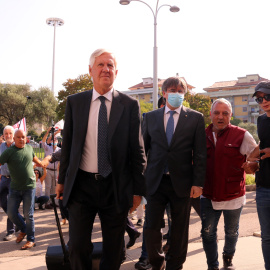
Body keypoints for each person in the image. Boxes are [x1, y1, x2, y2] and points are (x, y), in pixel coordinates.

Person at [57, 48, 146, 270]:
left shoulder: (129, 105)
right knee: (77, 246)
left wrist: (138, 190)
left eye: (110, 65)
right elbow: (67, 145)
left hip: (115, 187)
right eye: (100, 65)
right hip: (81, 186)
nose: (106, 69)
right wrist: (61, 180)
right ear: (90, 70)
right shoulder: (75, 102)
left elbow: (138, 151)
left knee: (114, 249)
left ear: (116, 71)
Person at [143, 76, 207, 270]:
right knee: (151, 227)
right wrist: (139, 181)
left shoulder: (195, 118)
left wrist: (198, 183)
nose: (176, 95)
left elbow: (201, 153)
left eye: (180, 91)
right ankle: (156, 262)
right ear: (164, 93)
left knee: (180, 228)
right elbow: (142, 150)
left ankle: (175, 265)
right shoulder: (150, 117)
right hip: (155, 181)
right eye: (172, 91)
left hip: (182, 183)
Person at [201, 98, 257, 270]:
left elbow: (254, 157)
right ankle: (213, 265)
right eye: (217, 112)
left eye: (225, 113)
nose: (220, 117)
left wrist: (251, 166)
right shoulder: (201, 135)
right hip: (208, 195)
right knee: (208, 233)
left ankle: (228, 257)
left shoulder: (242, 135)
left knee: (231, 232)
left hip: (233, 195)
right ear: (210, 115)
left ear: (230, 116)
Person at [0, 129, 45, 250]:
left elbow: (36, 160)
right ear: (14, 139)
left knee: (28, 214)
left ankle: (31, 240)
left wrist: (43, 163)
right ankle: (24, 229)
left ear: (27, 138)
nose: (21, 139)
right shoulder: (9, 152)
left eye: (23, 137)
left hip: (29, 187)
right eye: (18, 137)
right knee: (11, 213)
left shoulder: (30, 149)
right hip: (14, 188)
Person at [242, 81, 270, 270]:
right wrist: (251, 159)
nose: (264, 101)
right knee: (267, 236)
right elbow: (262, 144)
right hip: (264, 186)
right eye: (259, 99)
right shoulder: (261, 120)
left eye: (267, 96)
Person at [0, 126, 16, 241]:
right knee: (3, 202)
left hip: (14, 179)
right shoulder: (2, 146)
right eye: (6, 133)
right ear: (3, 135)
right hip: (3, 179)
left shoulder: (17, 146)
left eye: (10, 133)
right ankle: (18, 219)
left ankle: (10, 232)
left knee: (11, 205)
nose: (8, 135)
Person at [41, 127, 60, 209]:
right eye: (53, 139)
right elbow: (43, 141)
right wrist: (49, 132)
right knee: (48, 187)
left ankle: (53, 202)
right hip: (48, 170)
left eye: (56, 140)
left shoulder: (59, 150)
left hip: (56, 170)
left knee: (54, 187)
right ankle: (47, 202)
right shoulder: (48, 148)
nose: (54, 140)